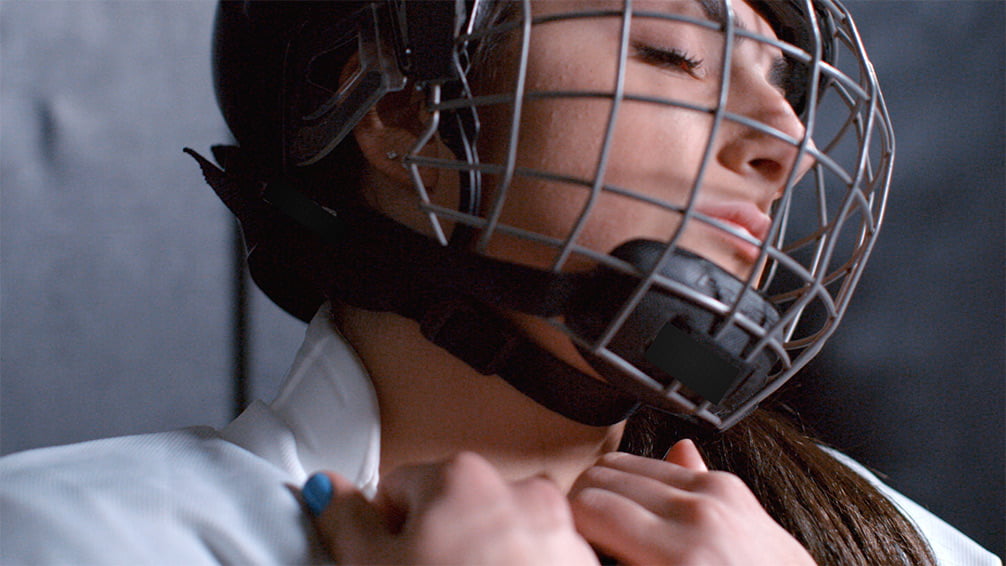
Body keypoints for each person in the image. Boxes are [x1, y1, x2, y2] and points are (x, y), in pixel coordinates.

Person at [0, 0, 1000, 564]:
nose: (783, 139)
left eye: (787, 89)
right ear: (400, 112)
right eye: (674, 54)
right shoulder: (74, 539)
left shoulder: (904, 550)